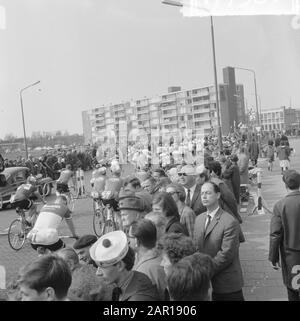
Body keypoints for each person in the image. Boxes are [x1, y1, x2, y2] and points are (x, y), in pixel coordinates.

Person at [193, 182, 244, 301]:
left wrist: (205, 271)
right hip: (205, 283)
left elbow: (226, 254)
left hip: (226, 283)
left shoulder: (229, 221)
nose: (204, 196)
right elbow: (196, 246)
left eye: (208, 193)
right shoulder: (199, 219)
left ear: (218, 195)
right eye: (202, 194)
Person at [89, 230, 159, 301]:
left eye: (102, 267)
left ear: (120, 265)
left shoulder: (138, 297)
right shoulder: (137, 277)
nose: (98, 273)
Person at [269, 170, 300, 301]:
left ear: (286, 186)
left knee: (294, 289)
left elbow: (275, 234)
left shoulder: (280, 205)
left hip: (291, 256)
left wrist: (273, 257)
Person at [131, 219, 167, 301]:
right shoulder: (162, 258)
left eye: (129, 236)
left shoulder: (144, 271)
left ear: (136, 240)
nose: (127, 239)